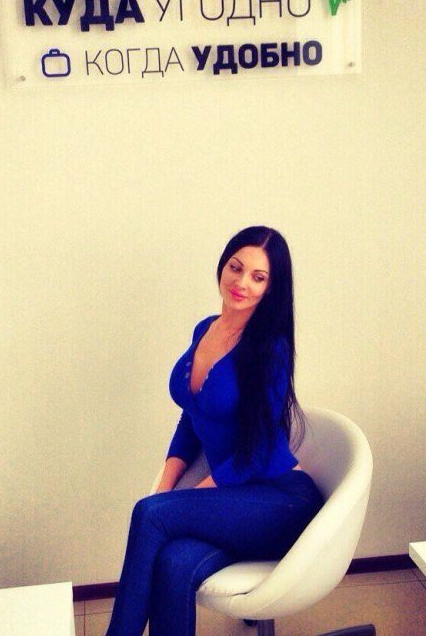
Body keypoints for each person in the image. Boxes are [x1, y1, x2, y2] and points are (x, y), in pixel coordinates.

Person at [105, 225, 324, 636]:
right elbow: (192, 418)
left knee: (150, 516)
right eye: (236, 268)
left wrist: (186, 500)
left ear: (271, 288)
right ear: (223, 266)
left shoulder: (270, 348)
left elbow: (259, 448)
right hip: (232, 504)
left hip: (280, 502)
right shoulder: (205, 329)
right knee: (173, 561)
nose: (242, 283)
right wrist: (166, 488)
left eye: (258, 277)